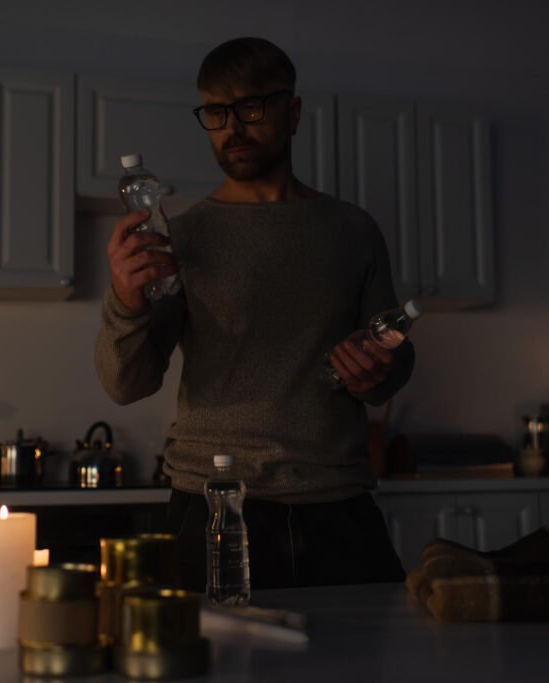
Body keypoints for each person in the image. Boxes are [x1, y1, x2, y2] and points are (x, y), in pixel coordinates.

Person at [95, 37, 414, 590]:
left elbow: (393, 357)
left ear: (292, 112)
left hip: (337, 506)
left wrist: (381, 368)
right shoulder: (184, 236)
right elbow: (128, 383)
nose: (232, 128)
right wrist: (125, 300)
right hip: (214, 505)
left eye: (251, 107)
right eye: (216, 113)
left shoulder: (353, 230)